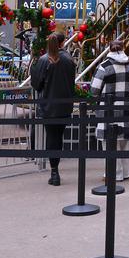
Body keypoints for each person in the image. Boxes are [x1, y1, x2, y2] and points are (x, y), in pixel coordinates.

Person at [30, 32, 76, 186]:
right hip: (64, 106)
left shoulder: (44, 60)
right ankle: (55, 170)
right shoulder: (69, 59)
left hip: (48, 106)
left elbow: (36, 84)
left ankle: (54, 171)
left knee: (52, 137)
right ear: (62, 43)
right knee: (58, 136)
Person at [89, 40, 129, 182]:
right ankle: (126, 172)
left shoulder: (104, 66)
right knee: (125, 143)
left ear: (109, 49)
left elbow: (94, 90)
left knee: (110, 143)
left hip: (109, 110)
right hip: (127, 109)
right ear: (123, 48)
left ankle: (114, 174)